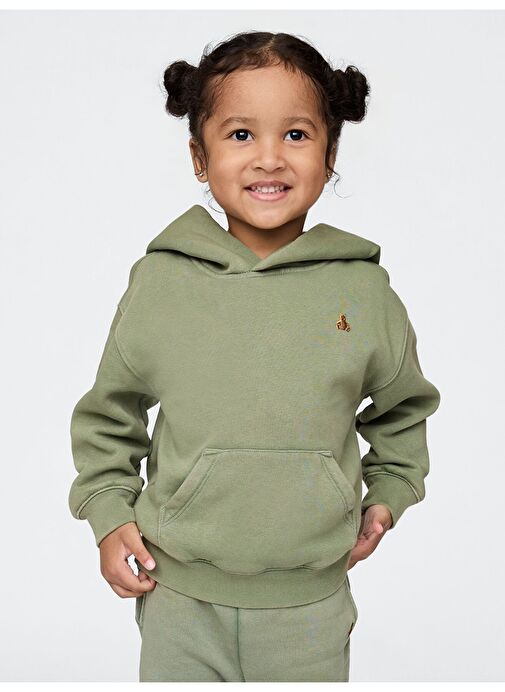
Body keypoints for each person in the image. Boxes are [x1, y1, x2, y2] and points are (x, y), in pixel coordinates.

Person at [68, 30, 441, 682]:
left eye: (295, 134)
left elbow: (402, 409)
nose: (269, 158)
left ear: (329, 155)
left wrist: (387, 494)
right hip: (177, 597)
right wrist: (107, 511)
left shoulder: (363, 291)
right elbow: (109, 413)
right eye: (241, 134)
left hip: (310, 606)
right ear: (200, 156)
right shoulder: (161, 283)